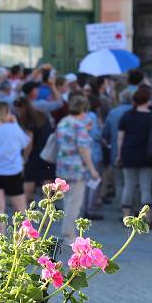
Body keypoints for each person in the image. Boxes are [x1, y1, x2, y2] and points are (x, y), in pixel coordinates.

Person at [56, 95, 100, 242]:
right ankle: (68, 232)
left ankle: (67, 230)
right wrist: (92, 170)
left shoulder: (63, 122)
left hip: (62, 166)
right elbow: (83, 149)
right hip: (76, 168)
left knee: (67, 200)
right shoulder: (79, 126)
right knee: (74, 203)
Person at [117, 86, 152, 223]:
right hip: (146, 156)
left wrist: (119, 155)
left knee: (128, 185)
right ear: (147, 100)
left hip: (128, 153)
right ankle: (147, 218)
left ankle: (126, 216)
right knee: (145, 187)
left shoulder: (127, 116)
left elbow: (120, 139)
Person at [13, 96, 55, 203]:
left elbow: (29, 143)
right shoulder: (41, 115)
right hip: (47, 154)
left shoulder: (28, 121)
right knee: (47, 187)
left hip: (34, 155)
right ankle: (47, 214)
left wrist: (23, 160)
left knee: (28, 183)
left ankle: (25, 211)